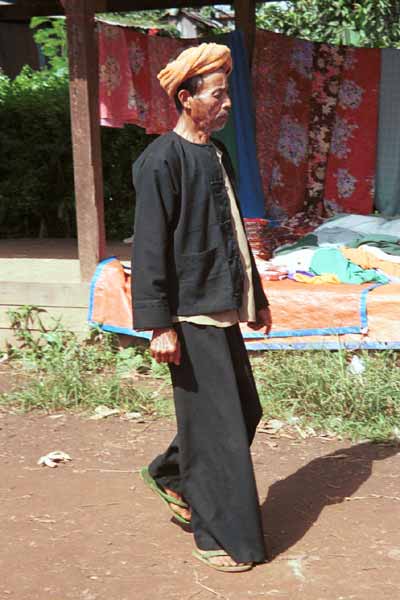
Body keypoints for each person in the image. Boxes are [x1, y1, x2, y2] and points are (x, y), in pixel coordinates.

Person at [131, 42, 272, 573]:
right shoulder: (160, 161)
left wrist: (255, 296)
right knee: (220, 428)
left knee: (243, 410)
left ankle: (171, 473)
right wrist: (157, 325)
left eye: (227, 93)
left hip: (222, 304)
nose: (227, 103)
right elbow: (147, 248)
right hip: (188, 316)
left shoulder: (216, 155)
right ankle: (218, 536)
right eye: (218, 94)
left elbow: (234, 233)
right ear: (186, 98)